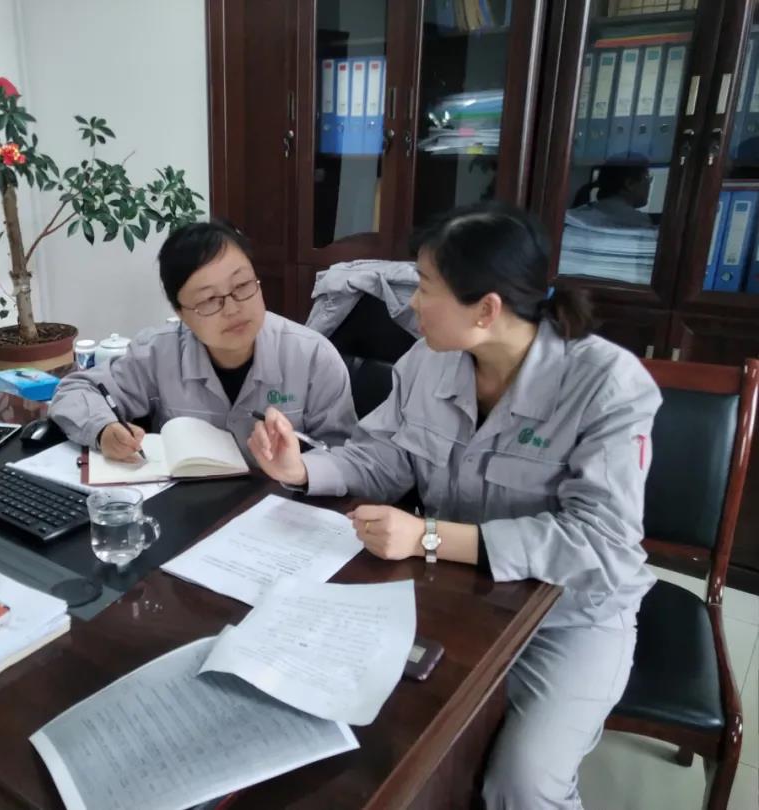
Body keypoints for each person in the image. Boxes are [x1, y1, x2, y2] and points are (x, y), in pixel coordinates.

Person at [249, 201, 661, 809]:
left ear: (486, 309)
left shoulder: (606, 383)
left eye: (424, 286)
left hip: (568, 615)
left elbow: (601, 544)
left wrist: (429, 537)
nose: (412, 302)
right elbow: (386, 456)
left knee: (523, 783)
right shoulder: (426, 360)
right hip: (455, 595)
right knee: (383, 743)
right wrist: (302, 469)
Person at [50, 219, 357, 462]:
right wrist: (103, 429)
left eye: (242, 285)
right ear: (180, 312)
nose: (233, 308)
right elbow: (75, 390)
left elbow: (345, 457)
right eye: (209, 300)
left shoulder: (313, 356)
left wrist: (301, 469)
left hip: (282, 507)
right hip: (188, 508)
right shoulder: (157, 352)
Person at [569, 159, 655, 230]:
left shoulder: (575, 214)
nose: (649, 183)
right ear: (630, 184)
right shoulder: (640, 221)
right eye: (647, 177)